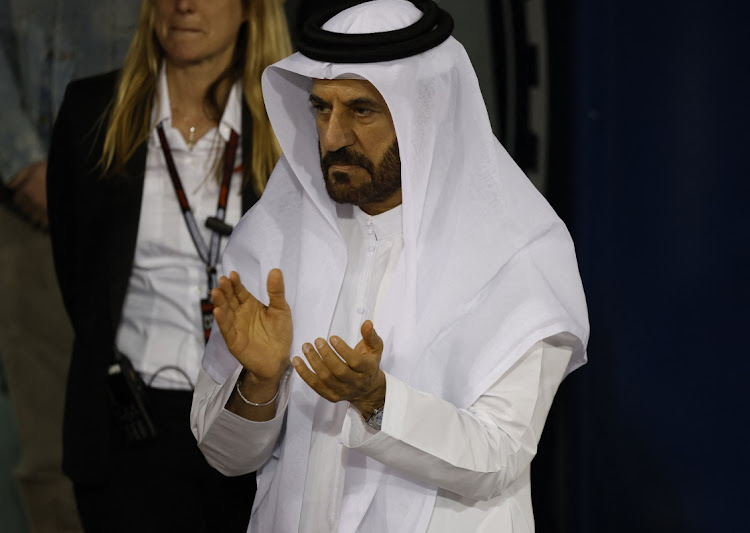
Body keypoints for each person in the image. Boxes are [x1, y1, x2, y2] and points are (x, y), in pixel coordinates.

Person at [191, 0, 589, 531]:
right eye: (320, 108)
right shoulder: (273, 240)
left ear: (424, 113)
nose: (332, 137)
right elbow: (225, 457)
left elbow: (500, 457)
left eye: (361, 110)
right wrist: (258, 385)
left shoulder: (515, 253)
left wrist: (378, 401)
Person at [46, 0, 291, 530]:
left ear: (252, 10)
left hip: (246, 417)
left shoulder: (290, 127)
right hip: (127, 421)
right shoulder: (92, 111)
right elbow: (77, 271)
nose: (184, 5)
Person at [0, 1, 140, 530]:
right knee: (49, 449)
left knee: (171, 427)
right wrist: (23, 163)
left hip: (150, 187)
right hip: (28, 211)